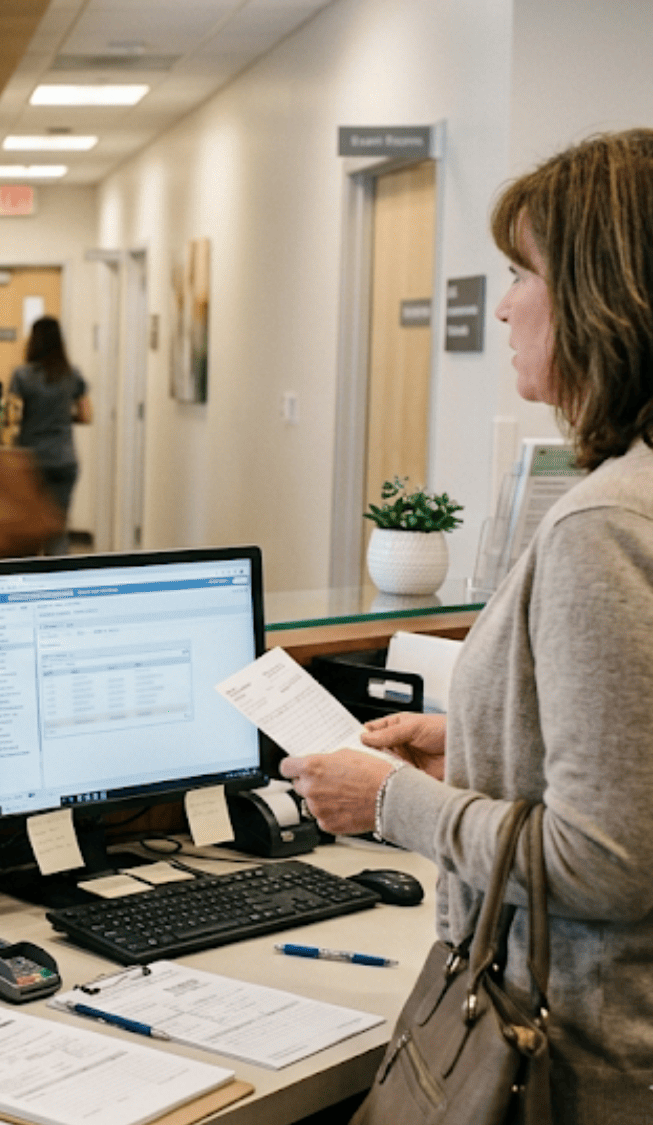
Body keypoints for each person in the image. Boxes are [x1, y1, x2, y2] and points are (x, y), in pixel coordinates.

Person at [282, 130, 653, 1117]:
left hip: (580, 1059)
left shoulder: (604, 523)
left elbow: (608, 862)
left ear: (596, 296)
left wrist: (390, 802)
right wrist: (476, 747)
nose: (498, 305)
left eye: (518, 273)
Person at [8, 315, 91, 555]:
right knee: (57, 529)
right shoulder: (72, 374)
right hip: (64, 459)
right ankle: (59, 586)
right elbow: (87, 415)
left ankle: (29, 586)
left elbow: (12, 416)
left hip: (30, 461)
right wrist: (64, 417)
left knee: (30, 529)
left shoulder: (22, 375)